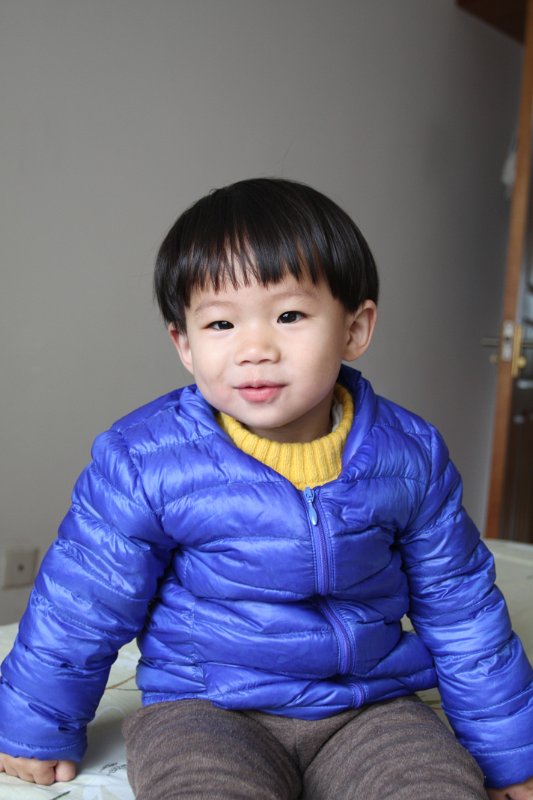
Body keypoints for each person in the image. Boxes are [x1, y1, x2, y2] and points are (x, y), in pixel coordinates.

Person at [0, 178, 532, 800]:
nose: (255, 349)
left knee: (435, 787)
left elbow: (462, 607)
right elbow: (82, 600)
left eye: (289, 316)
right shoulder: (145, 460)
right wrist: (34, 727)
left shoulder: (409, 456)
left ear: (355, 329)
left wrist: (509, 754)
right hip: (204, 707)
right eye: (221, 323)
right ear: (185, 344)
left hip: (367, 705)